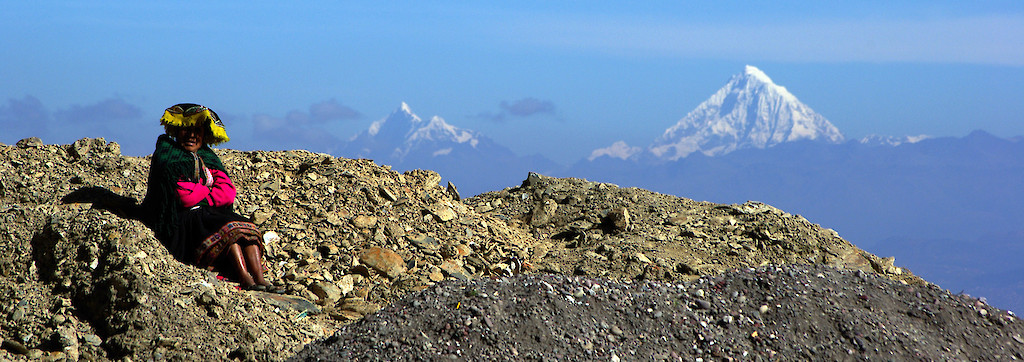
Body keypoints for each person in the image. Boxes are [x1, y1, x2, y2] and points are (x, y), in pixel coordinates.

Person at [141, 103, 281, 293]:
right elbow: (185, 198)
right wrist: (209, 188)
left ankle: (260, 278)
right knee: (227, 229)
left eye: (196, 131)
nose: (191, 136)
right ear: (176, 132)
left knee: (245, 227)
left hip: (206, 214)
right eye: (185, 130)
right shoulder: (168, 157)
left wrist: (200, 191)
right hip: (181, 223)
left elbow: (228, 193)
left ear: (203, 135)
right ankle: (245, 277)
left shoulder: (208, 157)